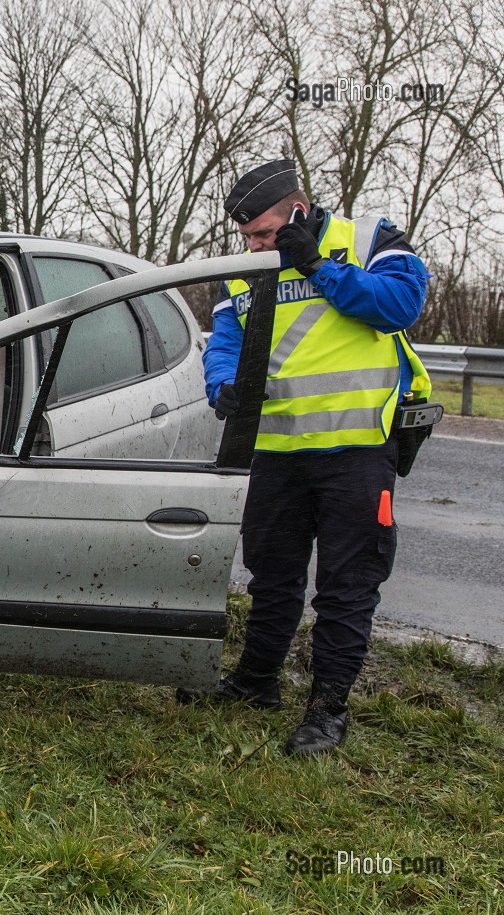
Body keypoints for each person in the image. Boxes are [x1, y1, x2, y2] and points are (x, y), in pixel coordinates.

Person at [177, 159, 433, 756]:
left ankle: (327, 711)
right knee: (272, 577)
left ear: (297, 212)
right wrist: (222, 387)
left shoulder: (367, 239)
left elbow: (398, 305)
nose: (255, 245)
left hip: (359, 451)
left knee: (347, 586)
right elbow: (226, 343)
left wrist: (318, 265)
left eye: (264, 234)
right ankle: (256, 683)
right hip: (277, 451)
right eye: (246, 237)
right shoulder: (245, 270)